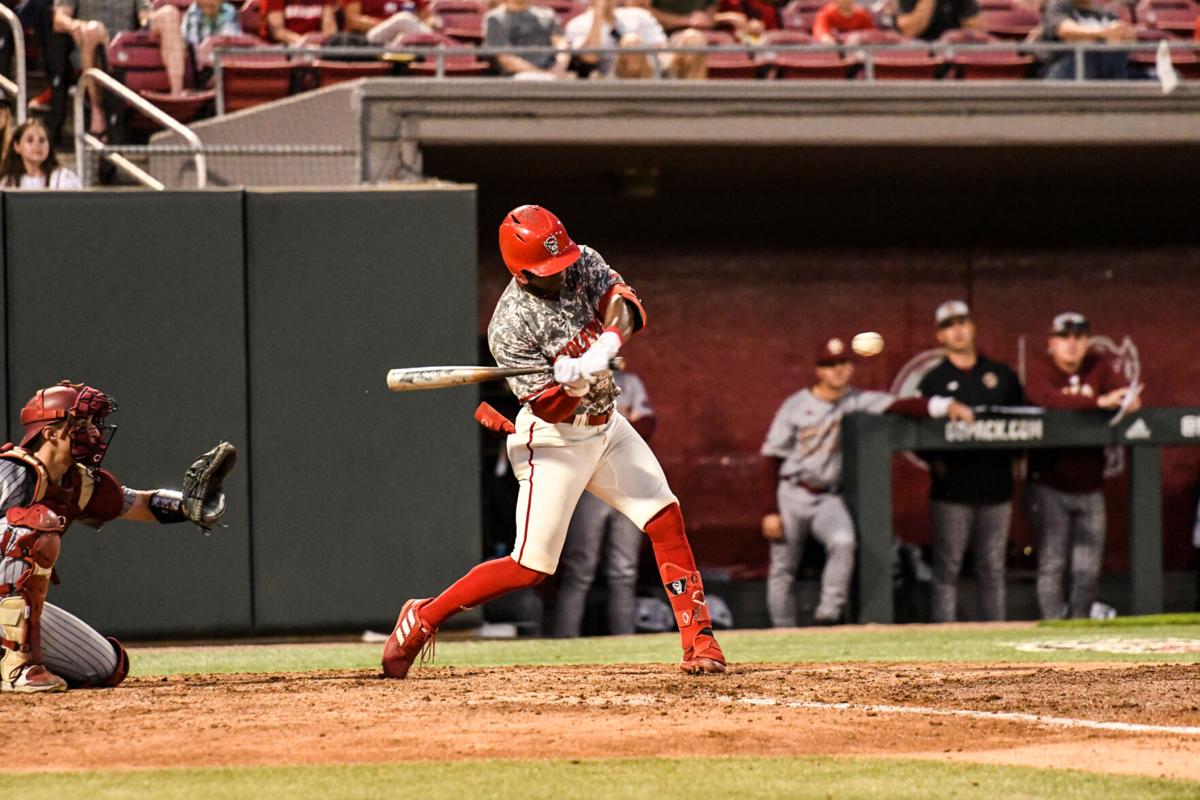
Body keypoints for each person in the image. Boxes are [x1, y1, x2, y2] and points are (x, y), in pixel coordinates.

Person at [383, 205, 726, 677]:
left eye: (562, 262)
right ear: (521, 272)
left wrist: (604, 346)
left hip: (608, 425)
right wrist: (572, 387)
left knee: (665, 518)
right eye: (549, 271)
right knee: (531, 566)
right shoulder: (509, 326)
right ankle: (423, 617)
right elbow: (547, 409)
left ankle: (700, 642)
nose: (562, 274)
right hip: (554, 440)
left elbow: (626, 305)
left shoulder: (580, 259)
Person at [0, 381, 232, 693]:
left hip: (8, 605)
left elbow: (140, 502)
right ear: (51, 432)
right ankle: (19, 667)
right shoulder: (10, 470)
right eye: (81, 423)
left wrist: (187, 506)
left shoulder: (77, 483)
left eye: (95, 423)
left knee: (104, 666)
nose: (94, 432)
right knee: (35, 527)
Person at [761, 337, 971, 626]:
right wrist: (769, 509)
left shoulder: (857, 401)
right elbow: (771, 458)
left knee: (844, 540)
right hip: (793, 493)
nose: (837, 371)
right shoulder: (796, 405)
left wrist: (944, 405)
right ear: (818, 370)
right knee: (783, 569)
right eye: (830, 365)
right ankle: (782, 632)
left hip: (827, 497)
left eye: (843, 364)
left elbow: (902, 404)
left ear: (851, 368)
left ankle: (828, 614)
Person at [1024, 312, 1140, 619]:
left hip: (1090, 483)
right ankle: (1054, 625)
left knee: (1087, 567)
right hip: (1049, 482)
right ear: (1052, 342)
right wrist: (1096, 403)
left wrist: (1126, 400)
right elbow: (1045, 400)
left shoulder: (1098, 365)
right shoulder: (1041, 369)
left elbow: (1130, 396)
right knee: (1053, 562)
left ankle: (1079, 626)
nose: (1072, 344)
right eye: (1065, 337)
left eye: (1079, 337)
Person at [917, 300, 1025, 622]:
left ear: (973, 326)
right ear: (939, 335)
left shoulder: (1001, 375)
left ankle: (995, 633)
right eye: (949, 324)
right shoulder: (933, 381)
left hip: (996, 486)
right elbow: (916, 433)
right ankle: (944, 637)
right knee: (947, 567)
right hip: (952, 489)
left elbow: (1028, 424)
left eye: (963, 321)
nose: (958, 330)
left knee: (993, 567)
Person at [554, 367, 657, 637]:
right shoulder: (573, 380)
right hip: (590, 481)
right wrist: (619, 423)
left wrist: (609, 427)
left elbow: (646, 425)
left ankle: (624, 641)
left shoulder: (629, 381)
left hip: (626, 481)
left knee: (624, 571)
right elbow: (573, 430)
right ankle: (565, 641)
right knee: (580, 568)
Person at [53, 0, 189, 136]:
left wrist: (147, 21)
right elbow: (59, 19)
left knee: (169, 13)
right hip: (93, 46)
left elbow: (144, 16)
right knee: (93, 29)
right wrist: (74, 25)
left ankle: (176, 93)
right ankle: (97, 109)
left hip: (125, 50)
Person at [565, 0, 706, 79]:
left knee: (693, 39)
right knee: (632, 43)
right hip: (615, 80)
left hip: (653, 70)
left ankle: (697, 105)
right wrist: (598, 15)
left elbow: (661, 48)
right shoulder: (578, 24)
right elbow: (589, 57)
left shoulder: (638, 15)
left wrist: (677, 58)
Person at [1040, 0, 1132, 80]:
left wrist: (1126, 35)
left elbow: (1124, 35)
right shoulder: (1059, 6)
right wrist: (1102, 33)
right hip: (1064, 69)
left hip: (1103, 69)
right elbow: (1065, 30)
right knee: (1092, 51)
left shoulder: (1103, 13)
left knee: (1115, 54)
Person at [485, 0, 573, 77]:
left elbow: (562, 43)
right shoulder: (495, 18)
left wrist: (559, 67)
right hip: (518, 77)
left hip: (553, 72)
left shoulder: (547, 14)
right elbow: (506, 58)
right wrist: (543, 75)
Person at [0, 118, 81, 189]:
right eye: (30, 140)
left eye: (42, 140)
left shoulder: (64, 178)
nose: (37, 145)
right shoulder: (7, 182)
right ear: (17, 146)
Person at [343, 0, 439, 48]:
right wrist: (388, 25)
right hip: (371, 39)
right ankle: (444, 48)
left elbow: (426, 17)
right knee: (403, 19)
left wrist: (432, 22)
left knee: (439, 22)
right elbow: (352, 20)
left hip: (404, 40)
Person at [896, 0, 982, 40]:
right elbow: (909, 31)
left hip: (953, 49)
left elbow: (978, 30)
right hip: (917, 48)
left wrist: (959, 35)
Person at [261, 0, 337, 44]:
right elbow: (277, 31)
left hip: (317, 50)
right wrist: (303, 42)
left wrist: (320, 41)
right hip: (286, 49)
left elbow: (330, 29)